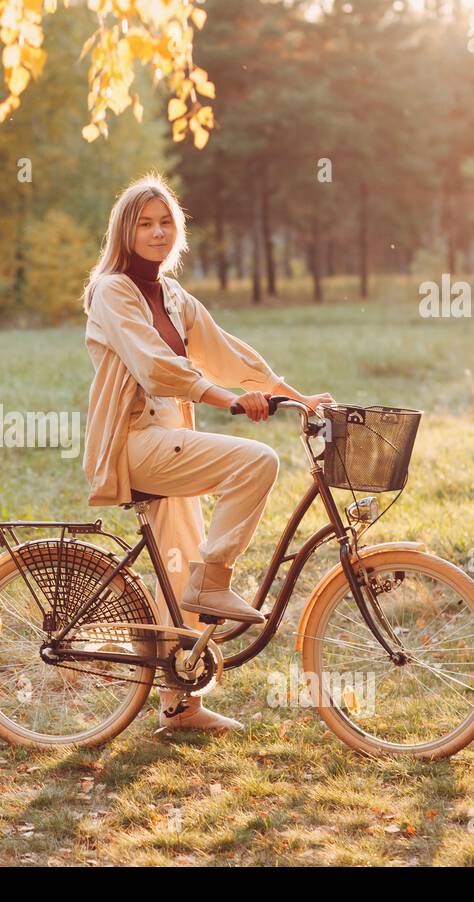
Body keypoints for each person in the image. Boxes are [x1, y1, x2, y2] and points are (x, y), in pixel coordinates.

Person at [81, 173, 332, 734]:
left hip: (172, 440)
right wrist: (225, 401)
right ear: (124, 231)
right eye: (144, 223)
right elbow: (153, 364)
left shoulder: (172, 295)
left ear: (179, 230)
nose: (156, 231)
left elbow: (227, 353)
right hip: (136, 443)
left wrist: (294, 395)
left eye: (166, 221)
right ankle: (215, 579)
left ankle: (180, 706)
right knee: (255, 462)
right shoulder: (113, 291)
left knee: (181, 571)